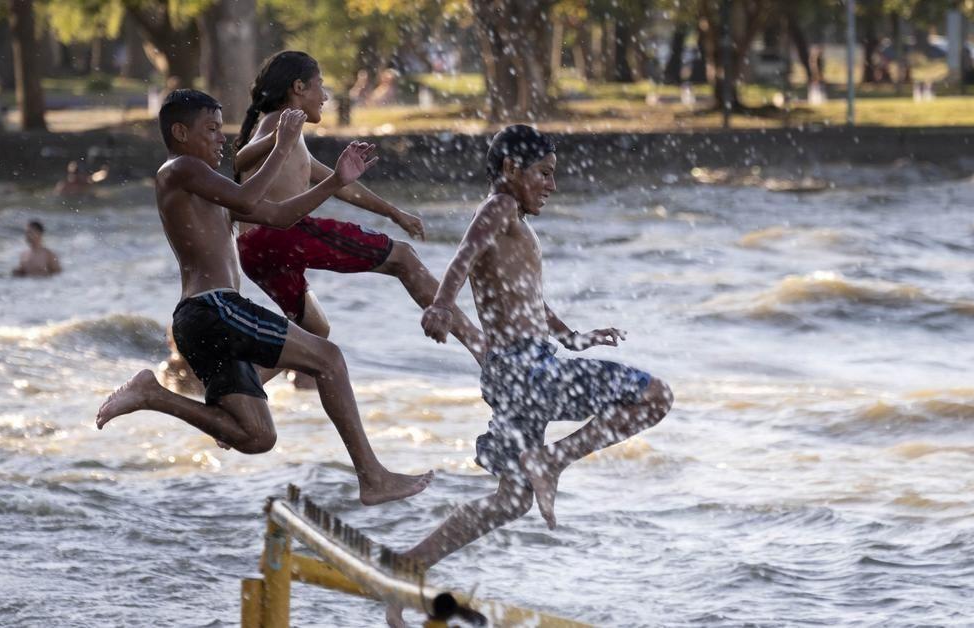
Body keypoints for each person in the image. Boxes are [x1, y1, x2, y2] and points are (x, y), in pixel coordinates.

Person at [385, 125, 674, 624]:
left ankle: (408, 568)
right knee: (656, 396)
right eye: (543, 173)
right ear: (510, 170)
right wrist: (440, 306)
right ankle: (555, 460)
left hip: (514, 376)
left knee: (511, 500)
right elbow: (462, 257)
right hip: (526, 372)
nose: (551, 185)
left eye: (553, 175)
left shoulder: (512, 219)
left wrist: (574, 337)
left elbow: (528, 301)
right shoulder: (497, 208)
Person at [95, 89, 430, 506]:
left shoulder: (210, 189)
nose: (222, 138)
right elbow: (250, 196)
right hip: (212, 307)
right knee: (329, 359)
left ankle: (154, 394)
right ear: (180, 132)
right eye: (212, 129)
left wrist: (335, 181)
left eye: (223, 128)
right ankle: (372, 477)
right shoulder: (178, 169)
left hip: (205, 318)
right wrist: (283, 143)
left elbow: (279, 215)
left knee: (257, 437)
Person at [232, 51, 485, 387]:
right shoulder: (280, 122)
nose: (324, 96)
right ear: (298, 87)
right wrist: (279, 142)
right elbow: (241, 156)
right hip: (279, 237)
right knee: (404, 258)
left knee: (316, 333)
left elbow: (341, 188)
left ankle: (244, 391)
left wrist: (393, 212)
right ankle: (485, 352)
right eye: (320, 86)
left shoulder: (289, 132)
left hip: (255, 251)